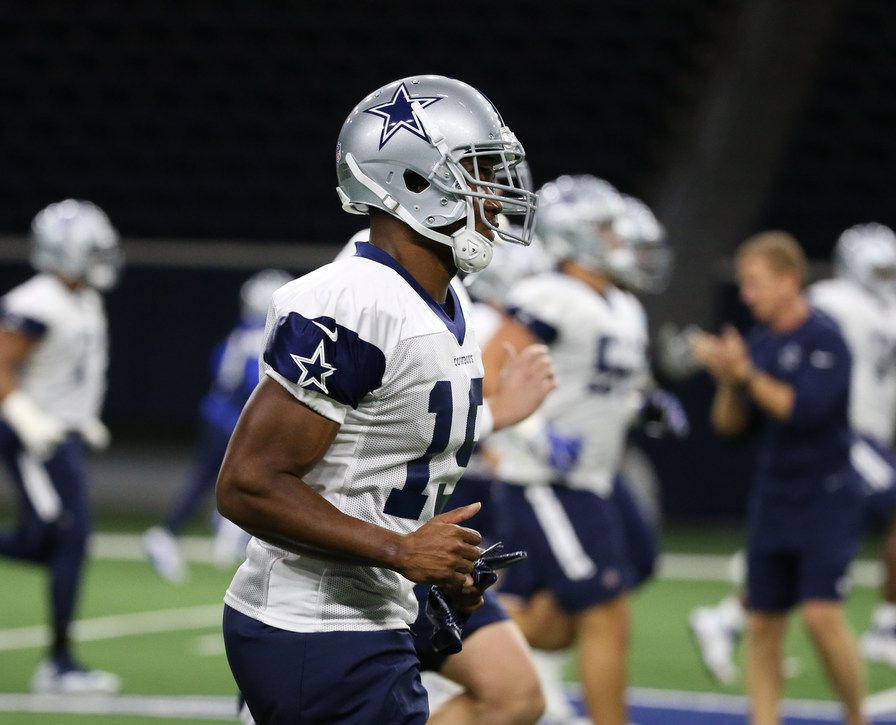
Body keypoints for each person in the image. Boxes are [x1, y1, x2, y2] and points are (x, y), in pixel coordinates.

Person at [216, 74, 553, 724]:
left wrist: (436, 563)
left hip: (371, 605)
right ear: (417, 183)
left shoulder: (445, 299)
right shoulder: (353, 302)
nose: (496, 194)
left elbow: (377, 456)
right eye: (479, 174)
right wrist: (401, 551)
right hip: (315, 622)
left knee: (515, 695)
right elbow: (247, 484)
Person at [690, 222, 896, 676]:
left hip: (869, 435)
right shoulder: (833, 301)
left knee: (821, 549)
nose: (886, 278)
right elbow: (796, 338)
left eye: (890, 269)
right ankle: (886, 625)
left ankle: (727, 619)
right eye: (877, 269)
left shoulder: (894, 311)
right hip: (845, 432)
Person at [483, 175, 655, 725]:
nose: (616, 238)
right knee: (606, 609)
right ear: (575, 234)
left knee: (557, 620)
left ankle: (452, 649)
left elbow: (603, 386)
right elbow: (488, 373)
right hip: (545, 480)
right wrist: (533, 434)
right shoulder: (548, 294)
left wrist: (641, 406)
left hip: (595, 478)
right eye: (604, 228)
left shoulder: (623, 305)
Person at [693, 231, 866, 725]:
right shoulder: (761, 343)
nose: (747, 295)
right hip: (774, 497)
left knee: (820, 616)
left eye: (755, 283)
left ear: (789, 280)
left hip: (825, 497)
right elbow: (730, 430)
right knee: (763, 621)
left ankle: (858, 717)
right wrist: (729, 384)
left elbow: (804, 410)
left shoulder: (825, 338)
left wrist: (746, 375)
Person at [0, 199, 123, 693]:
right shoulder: (38, 302)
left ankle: (60, 661)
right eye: (93, 250)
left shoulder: (83, 298)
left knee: (59, 542)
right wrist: (30, 419)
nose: (103, 258)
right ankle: (59, 663)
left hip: (61, 436)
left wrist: (81, 419)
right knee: (66, 539)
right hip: (33, 438)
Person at [143, 269, 294, 582]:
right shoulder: (260, 338)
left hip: (220, 415)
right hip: (231, 420)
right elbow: (256, 387)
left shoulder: (242, 334)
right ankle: (225, 529)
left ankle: (199, 529)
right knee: (256, 475)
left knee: (209, 479)